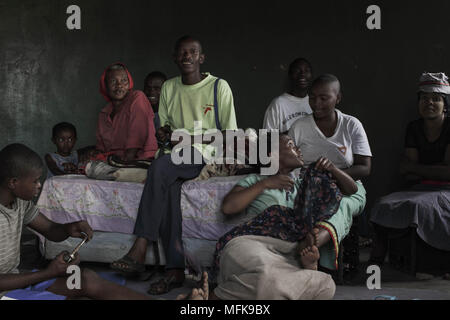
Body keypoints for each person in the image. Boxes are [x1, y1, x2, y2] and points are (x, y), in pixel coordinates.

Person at [110, 35, 238, 295]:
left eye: (192, 52)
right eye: (181, 53)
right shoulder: (169, 87)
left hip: (203, 152)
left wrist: (192, 139)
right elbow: (165, 126)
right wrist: (164, 133)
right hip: (174, 155)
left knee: (160, 169)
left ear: (201, 58)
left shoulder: (218, 86)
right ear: (174, 58)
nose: (187, 56)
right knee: (169, 190)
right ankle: (175, 270)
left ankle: (141, 244)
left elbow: (230, 133)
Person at [288, 74, 371, 271]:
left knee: (341, 206)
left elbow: (365, 168)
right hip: (307, 186)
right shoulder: (299, 126)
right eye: (312, 96)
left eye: (324, 98)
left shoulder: (351, 125)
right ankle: (308, 252)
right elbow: (287, 162)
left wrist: (332, 171)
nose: (316, 103)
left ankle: (310, 245)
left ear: (338, 98)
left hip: (348, 187)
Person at [369, 72, 450, 268]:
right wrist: (432, 169)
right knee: (383, 204)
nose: (429, 103)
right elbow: (408, 173)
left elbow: (447, 174)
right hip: (419, 187)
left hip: (446, 191)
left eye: (435, 99)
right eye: (424, 99)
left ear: (445, 105)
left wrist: (416, 168)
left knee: (418, 207)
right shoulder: (413, 128)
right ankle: (377, 262)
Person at [96, 62, 158, 162]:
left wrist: (127, 159)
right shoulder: (104, 113)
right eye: (113, 81)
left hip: (139, 159)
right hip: (113, 160)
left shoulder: (137, 98)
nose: (119, 85)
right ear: (105, 86)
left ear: (129, 83)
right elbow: (101, 148)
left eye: (124, 80)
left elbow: (138, 133)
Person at [263, 58, 313, 133]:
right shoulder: (278, 104)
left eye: (307, 70)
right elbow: (264, 140)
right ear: (290, 75)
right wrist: (288, 136)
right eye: (297, 71)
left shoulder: (315, 102)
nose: (302, 74)